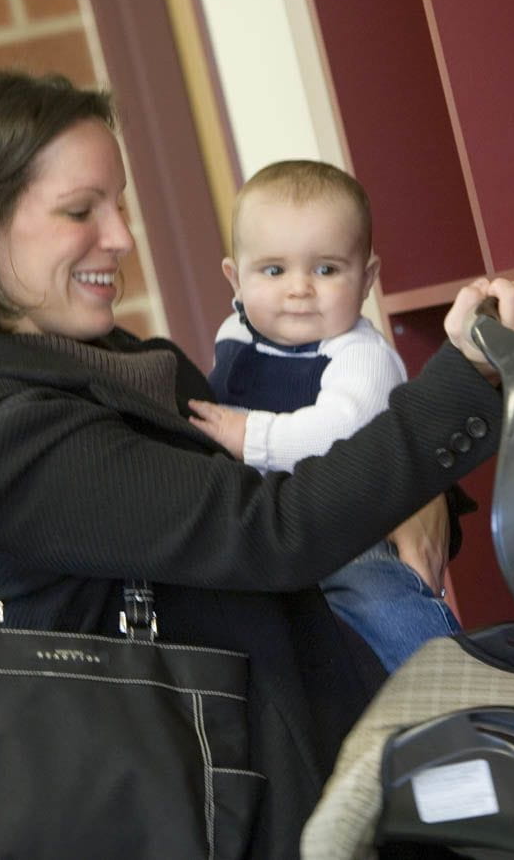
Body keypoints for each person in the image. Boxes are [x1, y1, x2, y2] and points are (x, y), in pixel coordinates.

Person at [0, 69, 514, 859]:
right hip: (239, 818)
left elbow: (297, 474)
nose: (118, 237)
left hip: (310, 771)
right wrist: (463, 381)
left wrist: (416, 498)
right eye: (81, 211)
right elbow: (269, 529)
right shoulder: (21, 437)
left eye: (119, 204)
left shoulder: (119, 364)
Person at [188, 160, 461, 672]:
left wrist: (251, 435)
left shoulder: (360, 355)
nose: (299, 289)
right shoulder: (236, 335)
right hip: (265, 535)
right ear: (236, 278)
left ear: (367, 278)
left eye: (326, 269)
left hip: (348, 531)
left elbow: (341, 428)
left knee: (383, 604)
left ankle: (450, 697)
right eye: (274, 270)